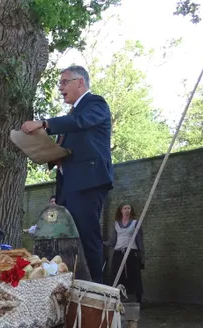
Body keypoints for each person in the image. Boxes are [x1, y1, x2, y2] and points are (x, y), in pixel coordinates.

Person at [21, 65, 112, 283]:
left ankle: (96, 288)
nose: (60, 88)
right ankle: (68, 283)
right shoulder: (73, 114)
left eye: (64, 82)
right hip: (69, 185)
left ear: (80, 82)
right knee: (66, 238)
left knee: (87, 237)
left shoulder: (95, 104)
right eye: (59, 83)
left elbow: (79, 123)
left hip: (87, 183)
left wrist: (44, 124)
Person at [104, 202, 144, 303]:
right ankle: (115, 299)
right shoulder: (116, 224)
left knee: (134, 275)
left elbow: (139, 241)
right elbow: (112, 242)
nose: (127, 210)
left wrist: (142, 256)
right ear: (121, 211)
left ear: (131, 210)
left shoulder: (135, 223)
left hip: (132, 252)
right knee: (115, 274)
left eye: (129, 208)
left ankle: (137, 299)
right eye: (125, 208)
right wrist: (101, 243)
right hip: (118, 252)